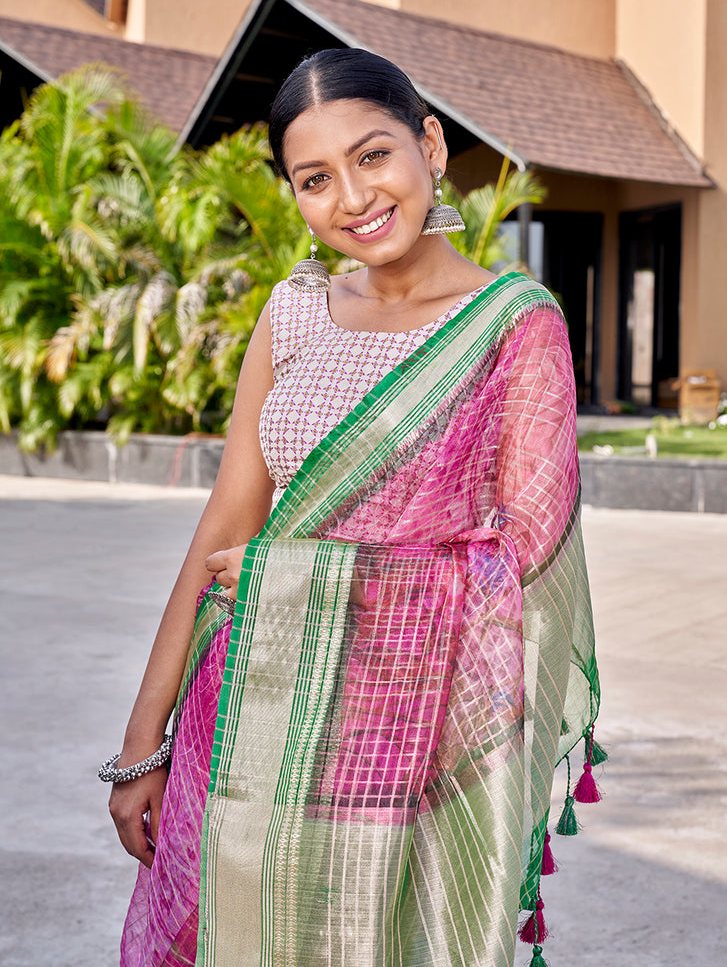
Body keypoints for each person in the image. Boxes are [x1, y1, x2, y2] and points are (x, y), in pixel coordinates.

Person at [105, 48, 600, 967]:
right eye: (315, 179)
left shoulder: (514, 324)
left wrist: (304, 577)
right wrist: (145, 743)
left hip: (403, 733)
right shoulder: (292, 312)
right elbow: (224, 529)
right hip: (244, 709)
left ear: (431, 146)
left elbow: (526, 561)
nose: (353, 197)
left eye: (374, 156)